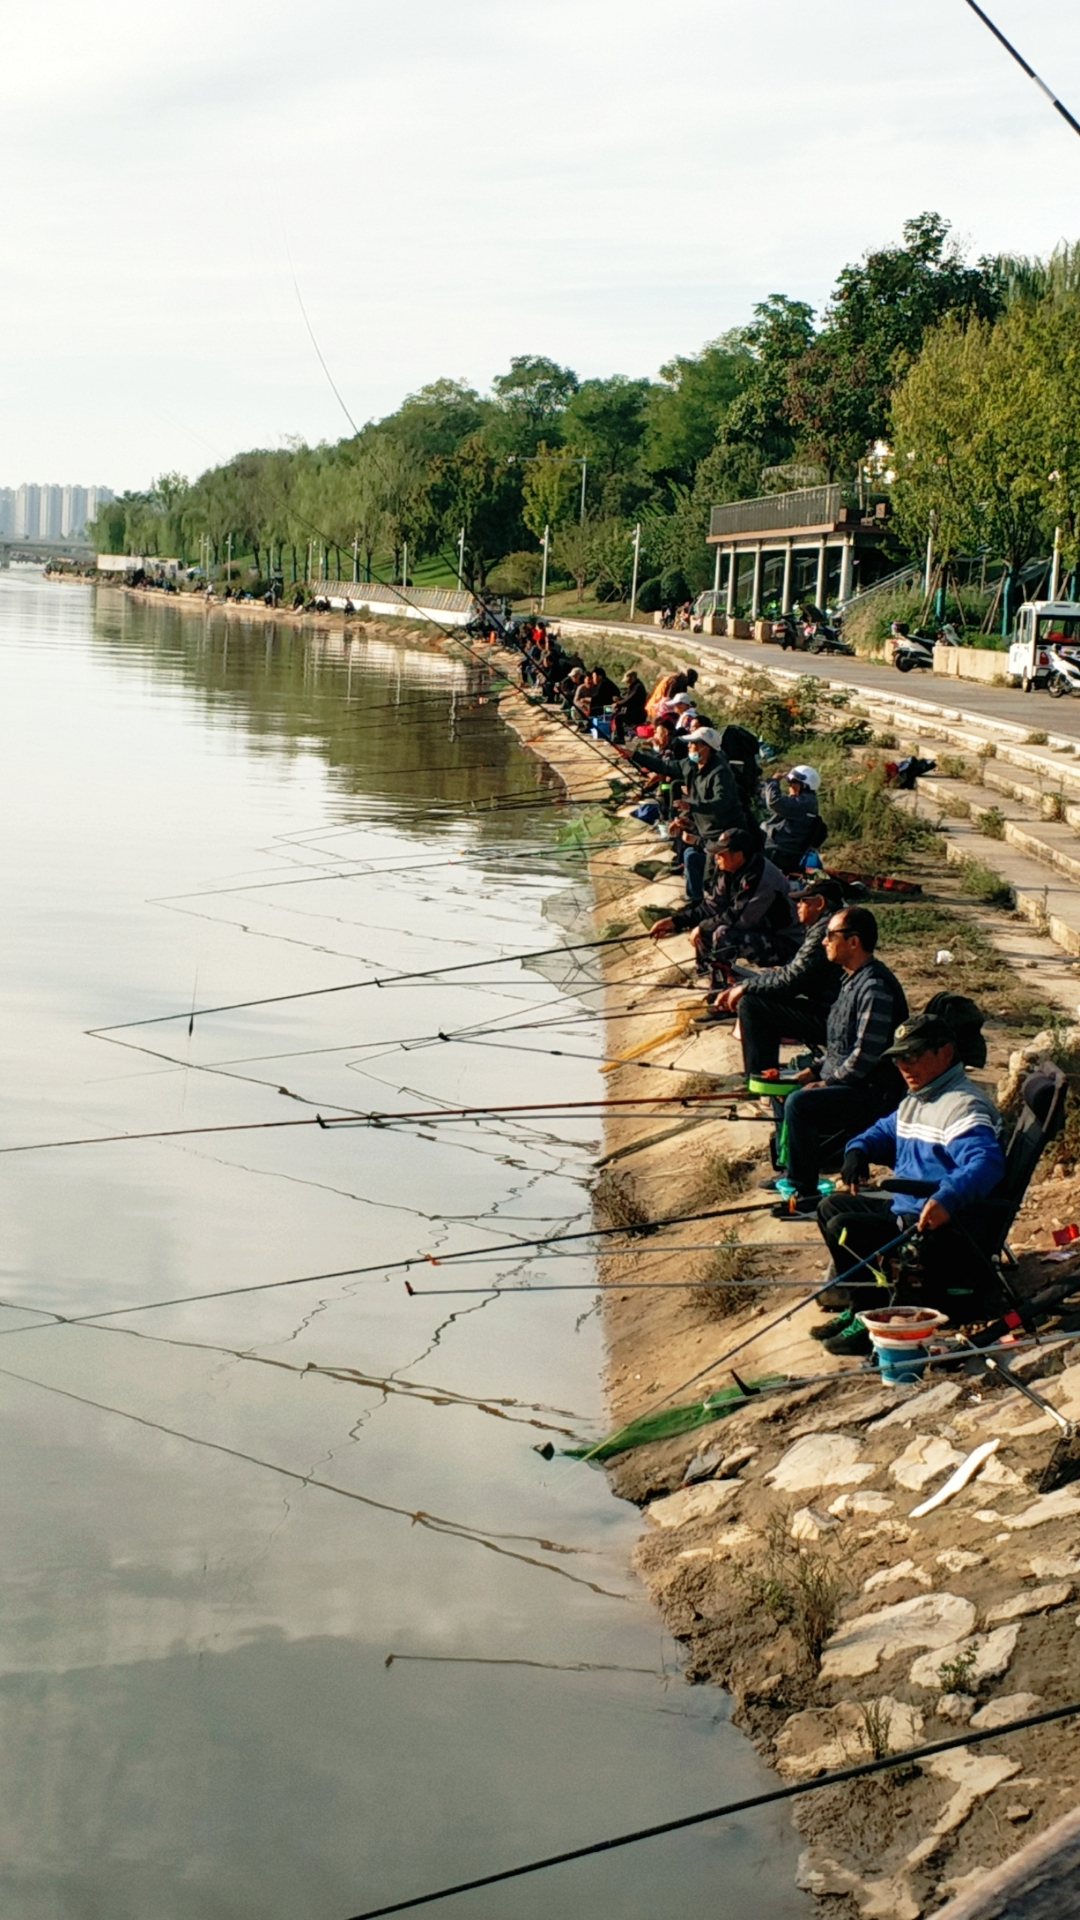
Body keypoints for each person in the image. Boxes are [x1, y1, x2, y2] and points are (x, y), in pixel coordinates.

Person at [812, 1011, 1005, 1355]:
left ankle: (871, 1316)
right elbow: (884, 1129)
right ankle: (861, 1305)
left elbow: (985, 1163)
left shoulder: (963, 1106)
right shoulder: (919, 1097)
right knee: (829, 1206)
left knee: (848, 1227)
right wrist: (857, 1150)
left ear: (944, 1053)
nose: (904, 1065)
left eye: (912, 1055)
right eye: (899, 1057)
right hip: (906, 1207)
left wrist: (947, 1198)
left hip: (939, 1226)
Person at [770, 906, 908, 1218]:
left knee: (800, 1105)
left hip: (872, 1092)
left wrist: (826, 1082)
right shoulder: (850, 980)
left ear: (854, 942)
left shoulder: (874, 987)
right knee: (784, 1089)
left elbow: (865, 1057)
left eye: (831, 936)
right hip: (849, 1081)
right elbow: (839, 1046)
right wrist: (813, 1071)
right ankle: (791, 1172)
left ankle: (804, 1194)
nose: (824, 942)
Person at [707, 877, 845, 1057]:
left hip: (833, 1018)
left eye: (803, 901)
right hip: (833, 1011)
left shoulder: (823, 933)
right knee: (756, 996)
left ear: (820, 903)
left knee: (751, 1004)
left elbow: (791, 981)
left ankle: (760, 1076)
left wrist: (745, 987)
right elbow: (795, 973)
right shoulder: (826, 927)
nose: (797, 906)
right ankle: (765, 1074)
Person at [649, 826, 799, 977]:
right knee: (707, 928)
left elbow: (740, 919)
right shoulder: (730, 871)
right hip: (761, 932)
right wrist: (674, 921)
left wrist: (702, 928)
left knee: (722, 933)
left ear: (738, 854)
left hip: (786, 943)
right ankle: (707, 976)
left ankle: (721, 986)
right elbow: (710, 906)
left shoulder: (760, 877)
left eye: (721, 854)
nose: (716, 857)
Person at [666, 726, 746, 902]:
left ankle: (710, 902)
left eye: (693, 743)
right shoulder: (694, 766)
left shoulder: (720, 772)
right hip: (707, 835)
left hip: (719, 839)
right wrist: (684, 820)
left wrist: (695, 837)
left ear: (706, 747)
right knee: (690, 856)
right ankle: (695, 901)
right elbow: (665, 766)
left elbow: (718, 808)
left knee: (706, 869)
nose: (689, 747)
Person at [762, 765, 825, 874]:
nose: (790, 787)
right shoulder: (805, 802)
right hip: (777, 851)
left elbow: (774, 802)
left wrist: (773, 782)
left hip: (777, 852)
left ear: (804, 785)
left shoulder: (804, 803)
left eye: (793, 783)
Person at [611, 670, 648, 741]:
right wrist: (620, 700)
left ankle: (620, 737)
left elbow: (629, 700)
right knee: (616, 714)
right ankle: (619, 735)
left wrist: (618, 704)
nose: (626, 682)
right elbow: (628, 699)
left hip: (637, 714)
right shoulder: (634, 686)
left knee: (618, 717)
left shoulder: (637, 687)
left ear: (632, 678)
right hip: (633, 712)